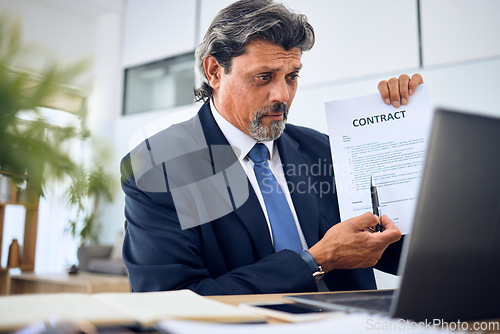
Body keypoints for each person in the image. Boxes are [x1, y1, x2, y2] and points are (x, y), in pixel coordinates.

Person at [120, 0, 424, 295]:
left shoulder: (323, 150)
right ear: (214, 71)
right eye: (263, 77)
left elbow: (397, 254)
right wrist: (315, 261)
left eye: (292, 77)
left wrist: (403, 134)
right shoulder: (159, 166)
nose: (282, 95)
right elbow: (170, 300)